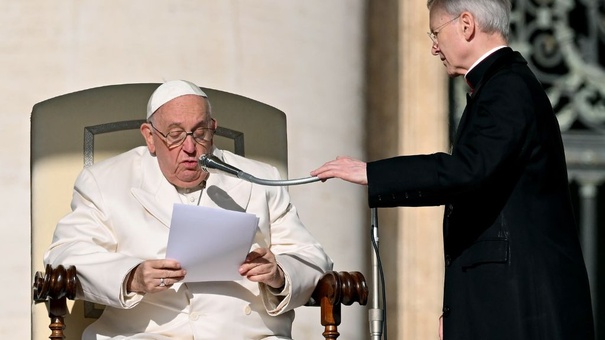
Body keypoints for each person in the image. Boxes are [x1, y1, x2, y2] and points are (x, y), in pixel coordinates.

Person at [311, 0, 595, 339]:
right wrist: (458, 310)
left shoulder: (507, 87)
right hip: (500, 302)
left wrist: (373, 174)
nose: (433, 47)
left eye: (435, 32)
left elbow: (467, 171)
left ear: (466, 24)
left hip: (519, 308)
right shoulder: (499, 85)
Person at [44, 80, 333, 339]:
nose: (191, 147)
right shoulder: (105, 182)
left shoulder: (258, 178)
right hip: (144, 334)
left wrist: (279, 273)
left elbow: (311, 256)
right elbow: (64, 255)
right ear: (149, 136)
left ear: (214, 129)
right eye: (175, 134)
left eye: (200, 132)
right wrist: (131, 276)